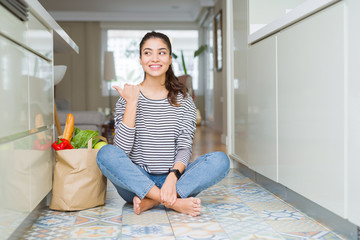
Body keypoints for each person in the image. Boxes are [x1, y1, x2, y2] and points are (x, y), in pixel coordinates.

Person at [96, 31, 230, 216]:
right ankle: (173, 203)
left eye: (161, 52)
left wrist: (172, 178)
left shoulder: (184, 100)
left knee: (220, 161)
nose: (155, 58)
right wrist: (132, 102)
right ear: (141, 59)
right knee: (105, 154)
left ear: (169, 58)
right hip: (137, 182)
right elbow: (121, 151)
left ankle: (151, 201)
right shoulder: (127, 98)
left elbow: (184, 147)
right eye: (148, 52)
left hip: (174, 181)